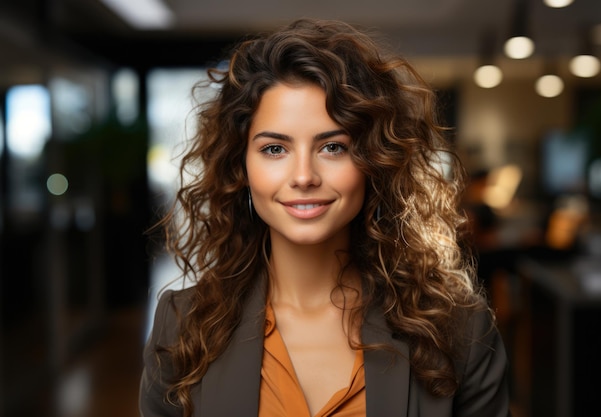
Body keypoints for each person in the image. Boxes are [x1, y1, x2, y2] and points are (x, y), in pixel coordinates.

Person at [139, 18, 511, 417]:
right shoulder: (181, 326)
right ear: (240, 166)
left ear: (374, 160)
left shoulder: (459, 331)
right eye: (274, 149)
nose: (303, 177)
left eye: (332, 146)